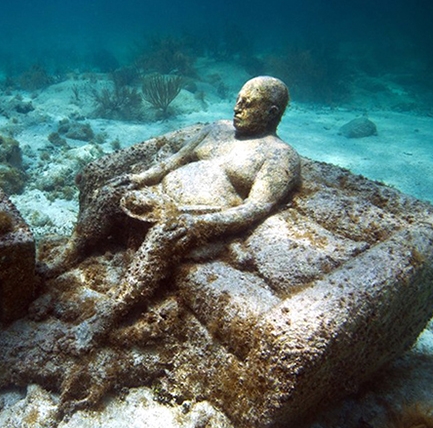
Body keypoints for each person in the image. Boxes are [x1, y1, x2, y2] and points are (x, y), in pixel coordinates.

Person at [50, 76, 302, 349]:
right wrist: (140, 178)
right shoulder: (216, 129)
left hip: (199, 217)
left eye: (247, 104)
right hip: (160, 197)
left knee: (166, 233)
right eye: (238, 100)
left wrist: (200, 225)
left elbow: (256, 208)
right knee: (110, 194)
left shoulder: (279, 156)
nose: (236, 108)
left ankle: (112, 309)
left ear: (271, 112)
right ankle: (72, 251)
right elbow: (176, 160)